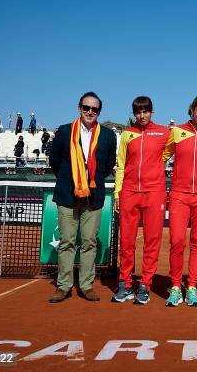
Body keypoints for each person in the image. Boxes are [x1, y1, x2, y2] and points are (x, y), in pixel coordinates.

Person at [48, 91, 117, 303]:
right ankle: (64, 286)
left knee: (89, 242)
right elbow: (55, 161)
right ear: (79, 108)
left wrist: (90, 182)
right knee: (67, 241)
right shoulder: (65, 131)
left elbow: (107, 165)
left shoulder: (107, 135)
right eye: (86, 108)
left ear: (99, 112)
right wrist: (73, 180)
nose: (90, 112)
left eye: (94, 109)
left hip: (93, 196)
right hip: (67, 194)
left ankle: (86, 285)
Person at [112, 96, 170, 304]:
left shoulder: (164, 132)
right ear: (134, 113)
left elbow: (180, 144)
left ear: (152, 112)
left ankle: (145, 284)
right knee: (126, 241)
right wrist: (117, 192)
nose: (142, 115)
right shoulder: (128, 134)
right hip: (129, 192)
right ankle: (125, 284)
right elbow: (121, 165)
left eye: (145, 111)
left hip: (154, 192)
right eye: (138, 111)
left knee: (151, 241)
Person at [163, 94, 197, 307]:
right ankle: (176, 286)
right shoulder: (176, 132)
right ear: (192, 110)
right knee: (177, 241)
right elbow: (163, 156)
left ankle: (192, 286)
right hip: (179, 194)